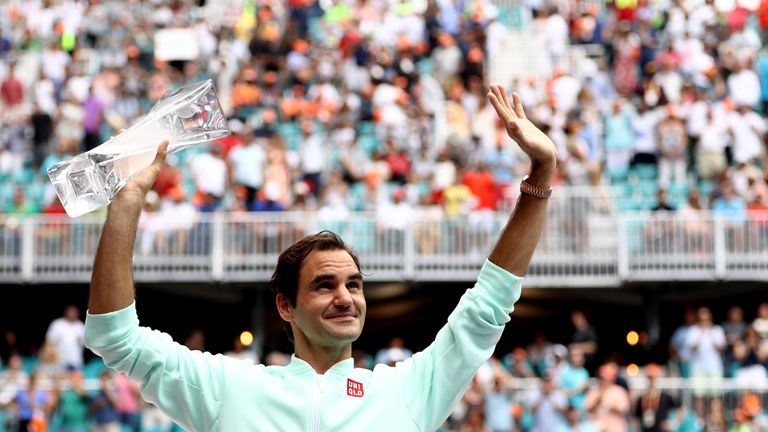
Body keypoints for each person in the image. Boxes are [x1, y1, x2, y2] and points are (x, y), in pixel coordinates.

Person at [83, 85, 557, 430]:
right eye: (324, 285)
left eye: (353, 284)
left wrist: (540, 176)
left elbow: (487, 307)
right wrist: (126, 204)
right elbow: (114, 336)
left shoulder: (407, 391)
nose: (345, 297)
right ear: (285, 306)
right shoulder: (230, 388)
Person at [45, 305, 85, 371]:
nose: (72, 314)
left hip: (75, 361)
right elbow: (49, 341)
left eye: (74, 312)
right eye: (70, 312)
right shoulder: (57, 324)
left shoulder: (81, 326)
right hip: (59, 361)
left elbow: (85, 344)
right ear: (66, 312)